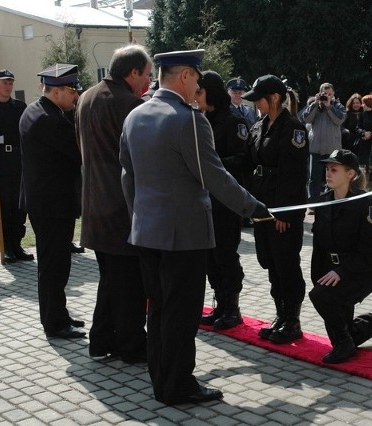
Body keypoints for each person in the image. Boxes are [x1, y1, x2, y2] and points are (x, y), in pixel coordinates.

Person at [119, 49, 269, 405]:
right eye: (197, 79)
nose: (198, 87)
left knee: (158, 308)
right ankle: (178, 385)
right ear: (184, 75)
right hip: (183, 235)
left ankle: (162, 378)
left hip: (146, 232)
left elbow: (127, 176)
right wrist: (254, 208)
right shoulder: (188, 119)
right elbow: (214, 177)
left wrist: (138, 216)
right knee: (181, 314)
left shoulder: (136, 115)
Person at [76, 45, 152, 363]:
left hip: (95, 205)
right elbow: (140, 159)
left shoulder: (87, 96)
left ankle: (101, 340)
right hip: (121, 208)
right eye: (147, 75)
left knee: (111, 281)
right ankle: (132, 346)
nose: (149, 82)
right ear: (132, 73)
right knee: (130, 284)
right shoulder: (129, 104)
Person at [308, 149, 372, 364]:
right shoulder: (325, 200)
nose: (328, 173)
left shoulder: (367, 203)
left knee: (321, 296)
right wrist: (318, 275)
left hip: (360, 271)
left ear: (350, 174)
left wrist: (341, 272)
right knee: (349, 331)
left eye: (334, 169)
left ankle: (344, 346)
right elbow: (319, 245)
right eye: (327, 169)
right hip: (332, 273)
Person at [19, 63, 85, 339]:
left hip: (45, 201)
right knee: (54, 266)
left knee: (54, 264)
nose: (76, 97)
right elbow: (79, 152)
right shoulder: (51, 120)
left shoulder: (37, 109)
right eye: (72, 91)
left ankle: (58, 313)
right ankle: (55, 322)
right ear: (57, 91)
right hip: (52, 204)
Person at [243, 74, 309, 344]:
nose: (256, 104)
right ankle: (280, 316)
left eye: (259, 99)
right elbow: (249, 161)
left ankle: (292, 321)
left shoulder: (294, 128)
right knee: (270, 263)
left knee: (286, 266)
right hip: (262, 206)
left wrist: (284, 213)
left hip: (282, 210)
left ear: (274, 98)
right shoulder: (259, 127)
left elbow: (294, 176)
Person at [195, 70, 251, 330]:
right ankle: (219, 305)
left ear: (212, 92)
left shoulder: (233, 121)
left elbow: (242, 159)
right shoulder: (202, 118)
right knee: (209, 258)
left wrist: (209, 167)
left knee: (225, 255)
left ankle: (233, 308)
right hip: (205, 201)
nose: (196, 97)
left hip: (227, 201)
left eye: (200, 91)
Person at [0, 69, 34, 263]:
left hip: (17, 159)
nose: (8, 86)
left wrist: (3, 138)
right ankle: (6, 245)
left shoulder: (19, 107)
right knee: (2, 204)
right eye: (4, 82)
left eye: (10, 82)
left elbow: (25, 133)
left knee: (19, 204)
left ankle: (17, 244)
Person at [301, 82, 346, 201]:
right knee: (313, 179)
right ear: (319, 93)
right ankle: (313, 204)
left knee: (333, 178)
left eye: (329, 94)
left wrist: (329, 105)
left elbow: (339, 120)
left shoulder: (338, 106)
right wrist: (316, 104)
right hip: (315, 149)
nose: (327, 96)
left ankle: (331, 201)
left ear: (333, 94)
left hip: (333, 150)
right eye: (324, 94)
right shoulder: (315, 106)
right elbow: (306, 118)